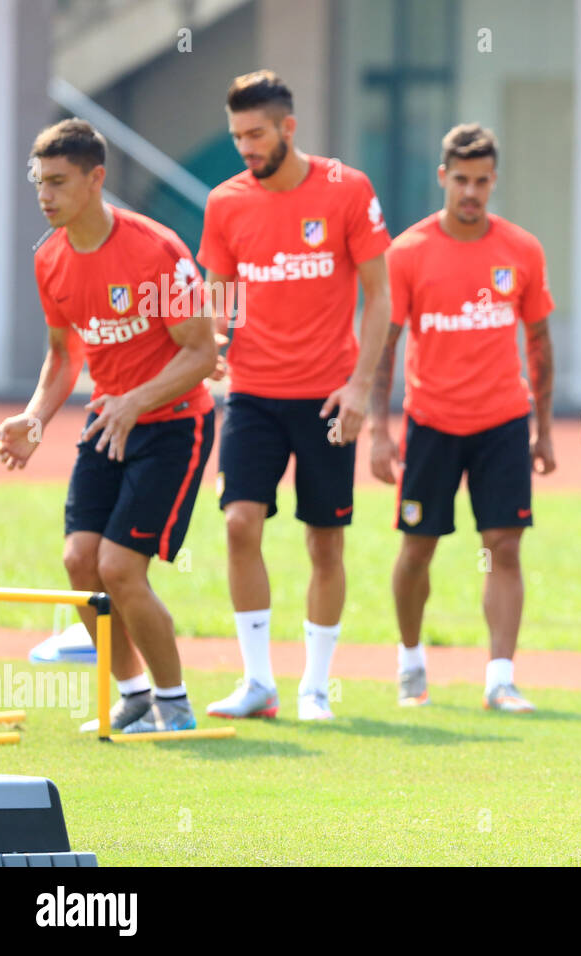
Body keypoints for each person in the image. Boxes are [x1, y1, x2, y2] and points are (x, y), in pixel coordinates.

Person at [0, 119, 217, 733]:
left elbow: (201, 354)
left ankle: (176, 706)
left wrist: (135, 400)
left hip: (173, 424)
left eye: (59, 182)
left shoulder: (159, 251)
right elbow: (65, 356)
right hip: (107, 421)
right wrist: (34, 419)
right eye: (40, 183)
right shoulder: (50, 259)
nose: (45, 195)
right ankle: (135, 695)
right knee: (79, 562)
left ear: (97, 179)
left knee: (121, 567)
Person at [198, 70, 392, 721]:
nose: (245, 148)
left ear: (289, 128)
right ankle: (258, 684)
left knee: (323, 542)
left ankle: (315, 686)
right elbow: (218, 293)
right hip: (253, 395)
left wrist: (361, 386)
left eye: (255, 134)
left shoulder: (347, 189)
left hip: (328, 398)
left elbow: (381, 295)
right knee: (237, 523)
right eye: (236, 137)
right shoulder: (225, 202)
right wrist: (216, 338)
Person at [369, 123, 556, 713]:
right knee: (418, 546)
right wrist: (378, 430)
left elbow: (540, 342)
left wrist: (543, 428)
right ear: (443, 177)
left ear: (493, 181)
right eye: (461, 180)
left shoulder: (522, 249)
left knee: (504, 544)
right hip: (431, 421)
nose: (471, 192)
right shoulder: (408, 252)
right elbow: (384, 345)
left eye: (482, 181)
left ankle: (500, 678)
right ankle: (410, 662)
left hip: (502, 420)